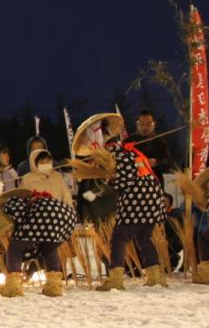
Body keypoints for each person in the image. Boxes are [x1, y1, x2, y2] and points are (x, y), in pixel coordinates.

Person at [70, 112, 168, 290]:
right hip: (151, 196)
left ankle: (116, 278)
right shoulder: (122, 149)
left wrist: (99, 187)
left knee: (119, 237)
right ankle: (155, 275)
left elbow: (125, 179)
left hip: (137, 197)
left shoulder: (114, 151)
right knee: (143, 237)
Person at [0, 188, 77, 298]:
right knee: (48, 248)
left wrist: (15, 227)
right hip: (65, 219)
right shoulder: (45, 200)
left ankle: (13, 287)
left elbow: (19, 215)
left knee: (16, 247)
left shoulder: (13, 201)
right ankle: (53, 286)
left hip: (41, 219)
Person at [131, 110, 173, 174]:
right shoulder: (128, 142)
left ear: (154, 124)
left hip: (154, 180)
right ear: (137, 124)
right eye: (142, 124)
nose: (145, 127)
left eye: (148, 124)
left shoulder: (160, 143)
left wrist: (157, 162)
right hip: (132, 180)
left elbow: (168, 163)